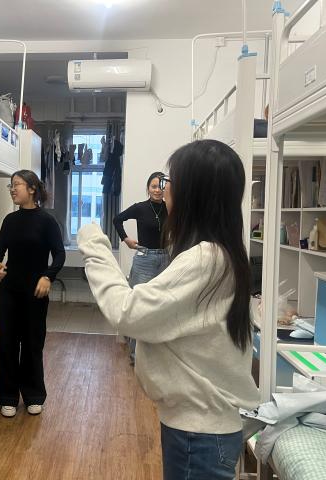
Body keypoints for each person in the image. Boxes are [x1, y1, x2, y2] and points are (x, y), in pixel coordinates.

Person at [78, 140, 259, 479]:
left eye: (170, 181)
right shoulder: (222, 253)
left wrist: (94, 244)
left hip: (199, 434)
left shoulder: (205, 260)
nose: (164, 188)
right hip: (199, 428)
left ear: (193, 193)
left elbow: (127, 313)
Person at [0, 170, 65, 418]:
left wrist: (48, 276)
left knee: (33, 344)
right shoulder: (9, 220)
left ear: (32, 189)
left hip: (36, 293)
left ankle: (34, 395)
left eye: (17, 185)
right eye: (11, 186)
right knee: (8, 344)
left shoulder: (47, 221)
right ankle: (7, 397)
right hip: (10, 291)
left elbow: (59, 254)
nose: (13, 189)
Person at [113, 172, 170, 363]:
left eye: (161, 186)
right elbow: (117, 219)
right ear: (148, 188)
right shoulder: (140, 208)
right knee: (137, 306)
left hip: (165, 259)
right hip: (145, 259)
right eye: (153, 186)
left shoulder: (170, 208)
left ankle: (155, 354)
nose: (157, 190)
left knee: (161, 307)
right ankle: (135, 355)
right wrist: (126, 239)